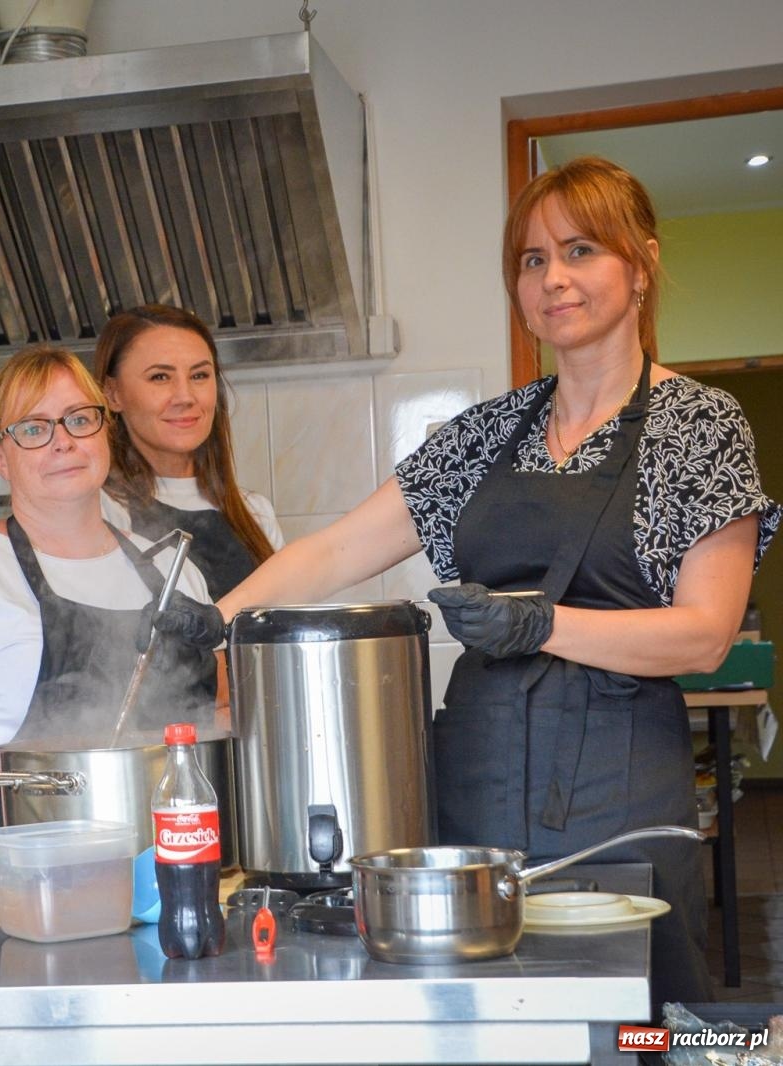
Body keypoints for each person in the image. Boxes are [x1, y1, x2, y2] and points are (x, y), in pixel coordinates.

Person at [161, 156, 777, 1007]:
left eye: (580, 250)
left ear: (640, 265)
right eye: (531, 260)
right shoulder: (483, 435)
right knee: (482, 1017)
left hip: (617, 795)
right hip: (474, 786)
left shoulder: (699, 424)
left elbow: (706, 633)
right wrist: (216, 618)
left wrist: (540, 625)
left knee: (634, 1022)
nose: (553, 278)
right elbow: (338, 549)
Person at [0, 344, 221, 885]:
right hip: (16, 864)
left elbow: (217, 715)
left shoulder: (175, 571)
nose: (62, 440)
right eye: (34, 428)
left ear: (105, 431)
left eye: (79, 419)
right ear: (1, 456)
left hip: (167, 862)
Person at [94, 304, 284, 599]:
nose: (185, 396)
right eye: (160, 377)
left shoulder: (255, 513)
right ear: (113, 393)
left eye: (199, 376)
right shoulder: (101, 510)